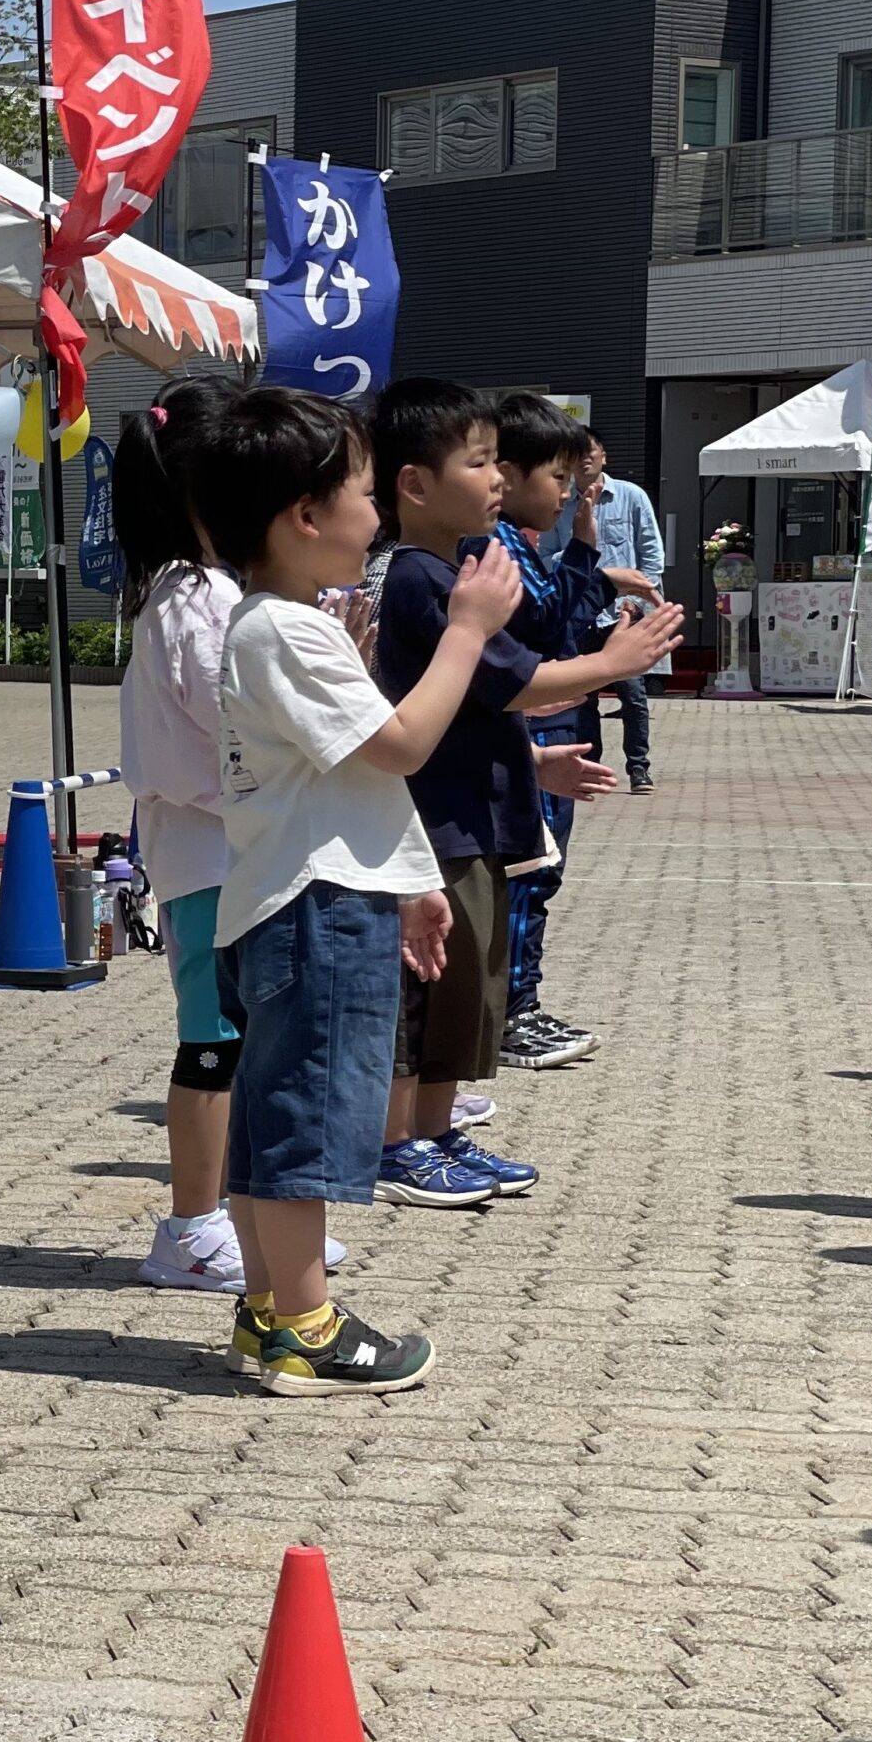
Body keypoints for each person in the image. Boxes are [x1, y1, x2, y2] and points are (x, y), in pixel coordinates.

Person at [198, 385, 522, 1394]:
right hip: (318, 908)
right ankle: (306, 1325)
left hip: (296, 897)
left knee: (271, 1117)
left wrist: (416, 882)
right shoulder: (284, 632)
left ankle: (269, 1312)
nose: (376, 515)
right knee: (305, 1119)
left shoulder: (282, 624)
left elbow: (350, 779)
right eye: (367, 493)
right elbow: (403, 745)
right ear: (306, 514)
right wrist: (467, 630)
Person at [371, 381, 682, 1208]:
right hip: (437, 822)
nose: (497, 479)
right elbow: (513, 680)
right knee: (430, 991)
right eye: (479, 463)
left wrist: (534, 761)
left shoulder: (457, 569)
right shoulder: (421, 579)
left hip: (476, 811)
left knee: (467, 990)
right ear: (414, 484)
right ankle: (396, 1144)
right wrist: (613, 663)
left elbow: (490, 695)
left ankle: (434, 1132)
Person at [114, 380, 349, 1294]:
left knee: (239, 1044)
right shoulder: (200, 598)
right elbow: (243, 727)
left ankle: (234, 1223)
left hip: (222, 849)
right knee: (213, 1046)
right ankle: (190, 1226)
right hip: (215, 852)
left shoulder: (191, 591)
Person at [495, 398, 651, 1071]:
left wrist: (595, 572)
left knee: (538, 872)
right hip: (524, 732)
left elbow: (551, 614)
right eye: (559, 477)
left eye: (575, 479)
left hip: (548, 725)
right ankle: (509, 1012)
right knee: (525, 874)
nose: (567, 494)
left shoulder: (515, 543)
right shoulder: (489, 548)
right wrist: (590, 559)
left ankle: (513, 1007)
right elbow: (542, 627)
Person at [552, 427, 665, 794]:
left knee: (633, 696)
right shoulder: (561, 501)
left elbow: (652, 555)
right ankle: (592, 767)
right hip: (579, 614)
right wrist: (577, 552)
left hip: (623, 612)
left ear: (604, 456)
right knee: (582, 697)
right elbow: (545, 557)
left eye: (591, 452)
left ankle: (639, 767)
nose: (585, 459)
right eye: (577, 454)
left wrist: (636, 603)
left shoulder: (631, 496)